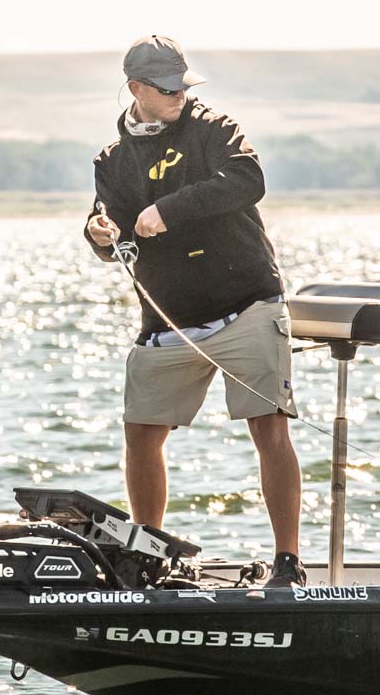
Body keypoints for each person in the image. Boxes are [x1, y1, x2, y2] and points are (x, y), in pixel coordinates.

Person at [84, 35, 305, 587]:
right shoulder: (112, 160)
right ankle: (147, 556)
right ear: (136, 89)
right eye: (166, 88)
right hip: (167, 321)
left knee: (269, 427)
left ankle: (288, 562)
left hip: (247, 306)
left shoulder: (214, 129)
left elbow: (248, 180)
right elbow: (111, 228)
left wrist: (169, 210)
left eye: (183, 84)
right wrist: (98, 233)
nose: (179, 94)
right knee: (141, 434)